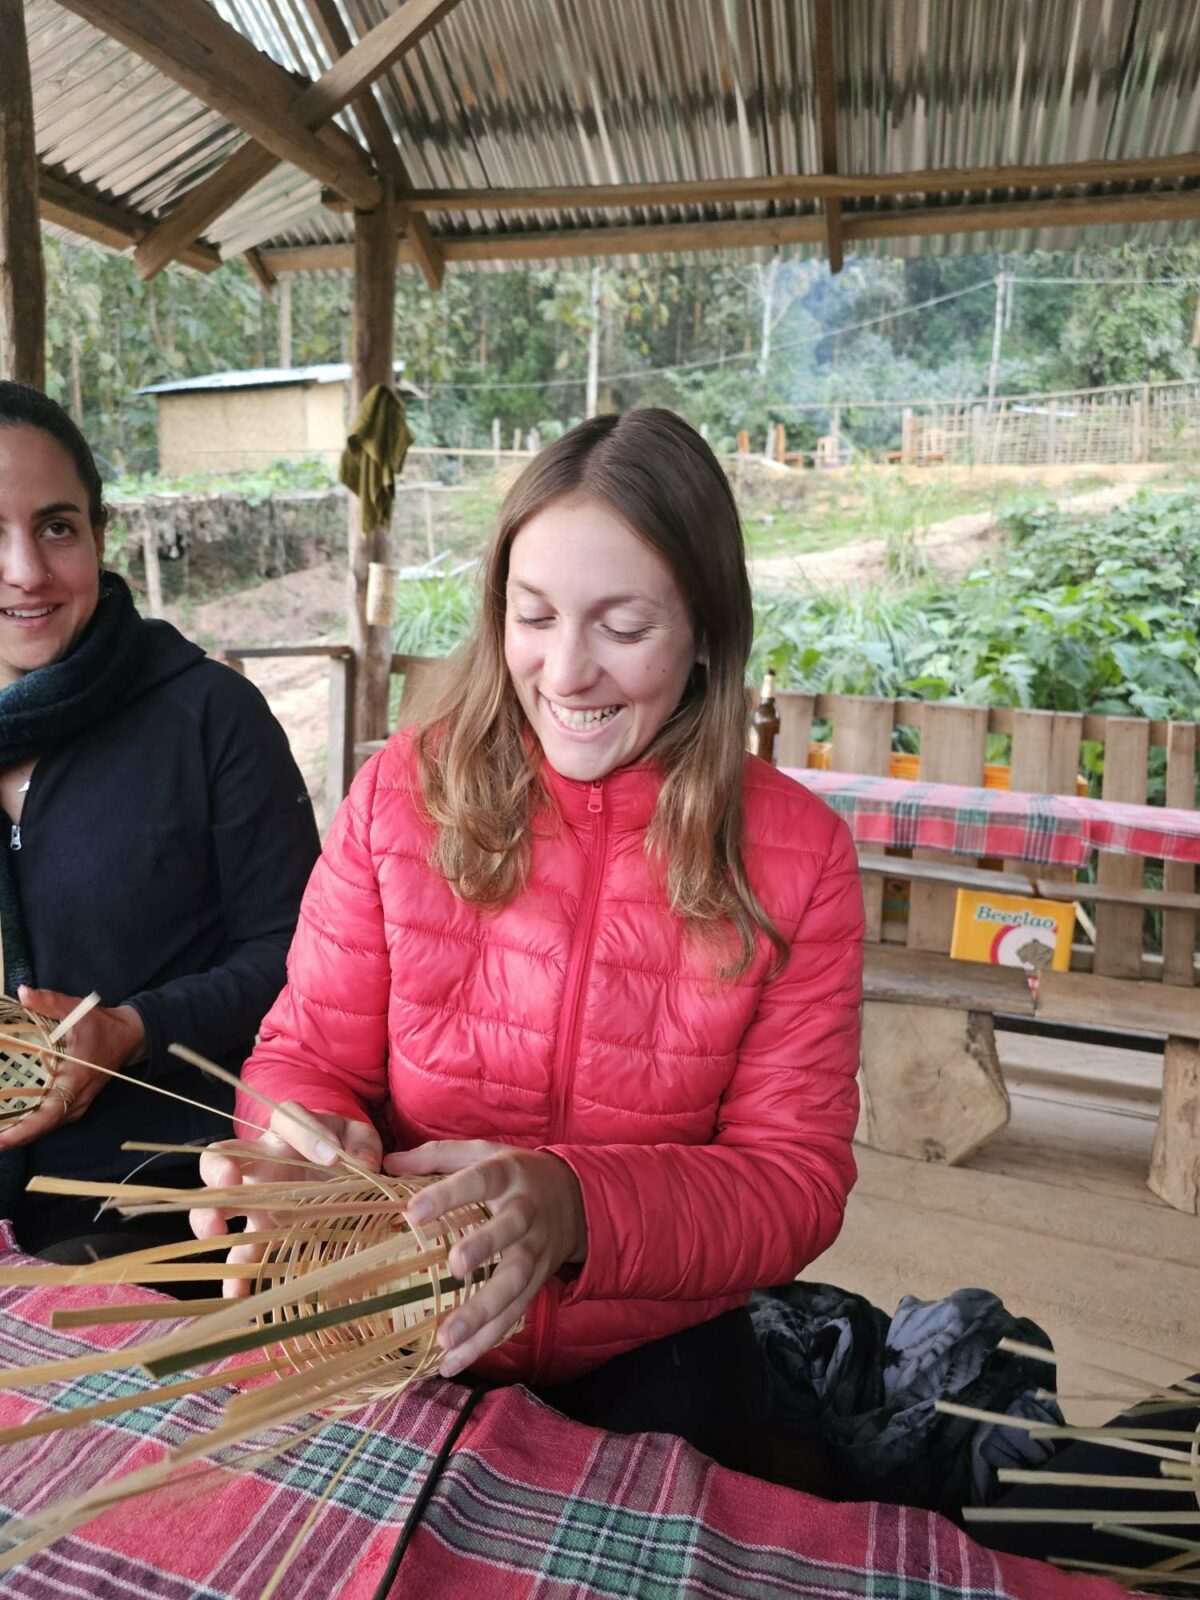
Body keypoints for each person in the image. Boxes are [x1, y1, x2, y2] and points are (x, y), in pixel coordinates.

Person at [195, 408, 864, 1472]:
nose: (564, 671)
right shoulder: (401, 795)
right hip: (405, 1308)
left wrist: (577, 1206)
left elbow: (793, 1179)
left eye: (624, 628)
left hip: (652, 1338)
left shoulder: (798, 857)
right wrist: (302, 1141)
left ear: (706, 630)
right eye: (534, 615)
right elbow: (304, 1053)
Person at [0, 382, 321, 1261]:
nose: (26, 570)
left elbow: (301, 960)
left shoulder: (209, 716)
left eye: (56, 527)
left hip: (171, 1203)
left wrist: (132, 1029)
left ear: (100, 536)